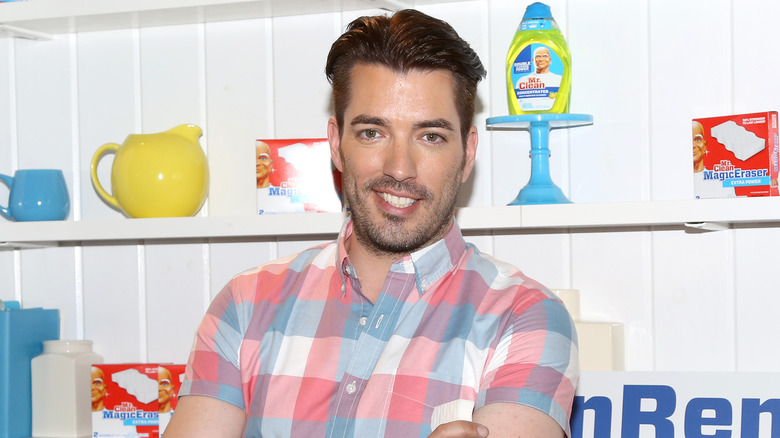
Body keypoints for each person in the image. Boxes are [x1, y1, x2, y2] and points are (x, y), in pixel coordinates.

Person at [165, 8, 578, 438]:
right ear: (336, 145)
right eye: (371, 133)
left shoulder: (525, 316)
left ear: (467, 154)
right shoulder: (245, 304)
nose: (400, 168)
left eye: (430, 136)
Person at [692, 120, 736, 198]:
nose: (693, 145)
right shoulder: (674, 182)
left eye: (698, 139)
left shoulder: (721, 182)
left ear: (705, 145)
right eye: (688, 140)